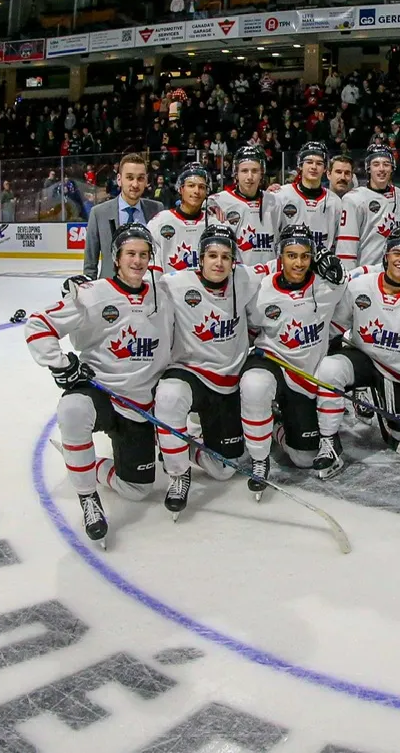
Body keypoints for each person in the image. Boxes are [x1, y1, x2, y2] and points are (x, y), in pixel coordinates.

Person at [24, 223, 174, 546]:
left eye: (144, 254)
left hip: (140, 405)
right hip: (102, 392)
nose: (137, 261)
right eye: (130, 254)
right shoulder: (92, 294)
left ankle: (89, 464)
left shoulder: (164, 293)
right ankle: (88, 495)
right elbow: (38, 325)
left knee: (137, 489)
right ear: (116, 258)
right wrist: (62, 365)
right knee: (72, 408)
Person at [314, 227, 400, 472]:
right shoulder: (360, 286)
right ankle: (328, 441)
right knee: (329, 369)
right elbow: (335, 327)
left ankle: (383, 399)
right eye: (396, 253)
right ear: (386, 255)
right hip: (364, 358)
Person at [155, 225, 260, 514]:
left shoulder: (245, 279)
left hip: (227, 380)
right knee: (169, 396)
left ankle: (176, 443)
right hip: (190, 372)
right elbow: (136, 289)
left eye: (226, 256)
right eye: (212, 255)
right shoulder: (173, 283)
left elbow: (278, 270)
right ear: (199, 258)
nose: (219, 262)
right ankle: (177, 473)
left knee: (225, 469)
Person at [239, 225, 348, 490]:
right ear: (280, 256)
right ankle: (259, 458)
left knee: (303, 458)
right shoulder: (261, 289)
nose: (298, 263)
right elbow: (251, 331)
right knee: (255, 384)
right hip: (274, 361)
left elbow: (342, 318)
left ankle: (276, 425)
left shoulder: (328, 286)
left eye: (304, 256)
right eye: (291, 255)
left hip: (307, 375)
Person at [83, 153, 164, 279]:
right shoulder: (99, 213)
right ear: (119, 180)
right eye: (130, 178)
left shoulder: (157, 209)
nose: (135, 184)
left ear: (146, 180)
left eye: (140, 178)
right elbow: (90, 266)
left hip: (148, 290)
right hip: (110, 290)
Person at [337, 144, 400, 270]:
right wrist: (347, 279)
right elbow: (346, 247)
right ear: (368, 168)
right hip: (365, 277)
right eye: (376, 164)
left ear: (392, 168)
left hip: (395, 275)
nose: (381, 169)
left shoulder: (399, 195)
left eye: (386, 164)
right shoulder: (353, 199)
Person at [207, 144, 275, 266]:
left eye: (255, 171)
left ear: (262, 173)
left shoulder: (275, 201)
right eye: (244, 171)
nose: (250, 177)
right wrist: (206, 205)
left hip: (268, 277)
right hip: (235, 278)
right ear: (236, 174)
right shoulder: (219, 201)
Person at [273, 142, 343, 257]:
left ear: (325, 168)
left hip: (321, 269)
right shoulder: (281, 196)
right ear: (300, 165)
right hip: (288, 267)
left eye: (319, 163)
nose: (314, 167)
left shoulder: (335, 202)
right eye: (309, 162)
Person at [147, 164, 209, 274]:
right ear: (180, 189)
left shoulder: (214, 223)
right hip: (169, 290)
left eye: (201, 187)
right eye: (191, 185)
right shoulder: (159, 222)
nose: (196, 191)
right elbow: (152, 273)